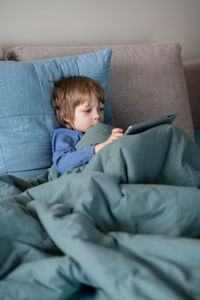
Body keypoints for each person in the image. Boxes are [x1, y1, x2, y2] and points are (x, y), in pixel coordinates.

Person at [51, 76, 124, 174]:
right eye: (87, 110)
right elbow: (62, 164)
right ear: (66, 116)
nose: (97, 116)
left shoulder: (103, 130)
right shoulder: (65, 136)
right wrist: (96, 149)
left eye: (100, 109)